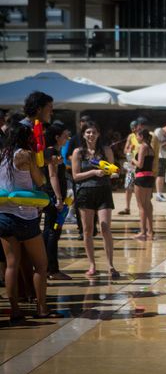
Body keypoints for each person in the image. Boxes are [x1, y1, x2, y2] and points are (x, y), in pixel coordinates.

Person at [0, 123, 63, 322]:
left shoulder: (1, 155)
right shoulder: (25, 155)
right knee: (41, 266)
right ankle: (42, 308)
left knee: (11, 265)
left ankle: (15, 311)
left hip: (3, 216)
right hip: (25, 216)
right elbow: (40, 180)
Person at [71, 121, 119, 278]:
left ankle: (110, 265)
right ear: (83, 134)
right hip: (85, 193)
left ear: (99, 134)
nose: (91, 135)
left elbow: (112, 169)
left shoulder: (106, 150)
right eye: (88, 132)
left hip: (103, 191)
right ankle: (92, 264)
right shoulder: (78, 152)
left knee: (105, 228)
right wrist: (93, 173)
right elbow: (75, 176)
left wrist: (114, 173)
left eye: (94, 132)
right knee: (87, 230)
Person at [42, 122, 72, 280]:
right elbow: (52, 176)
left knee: (50, 230)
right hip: (53, 197)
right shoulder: (51, 152)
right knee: (53, 231)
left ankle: (47, 268)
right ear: (57, 137)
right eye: (65, 135)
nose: (68, 137)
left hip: (54, 196)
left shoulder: (54, 152)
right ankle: (51, 269)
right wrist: (59, 198)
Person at [132, 127, 155, 241]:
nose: (136, 137)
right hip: (150, 177)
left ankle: (142, 232)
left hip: (141, 177)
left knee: (141, 206)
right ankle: (150, 230)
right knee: (147, 205)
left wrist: (132, 160)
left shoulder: (142, 147)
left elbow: (140, 164)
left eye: (137, 135)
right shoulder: (151, 148)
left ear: (141, 136)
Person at [119, 120, 139, 216]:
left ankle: (141, 207)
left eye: (134, 127)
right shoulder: (131, 136)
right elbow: (125, 150)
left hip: (140, 165)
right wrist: (129, 150)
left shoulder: (143, 136)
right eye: (132, 128)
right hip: (131, 165)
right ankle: (127, 207)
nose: (133, 129)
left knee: (139, 188)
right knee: (128, 187)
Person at [153, 122, 166, 202]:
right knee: (160, 175)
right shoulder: (158, 131)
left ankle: (160, 193)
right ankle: (158, 194)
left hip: (164, 156)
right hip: (159, 156)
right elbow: (157, 143)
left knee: (162, 176)